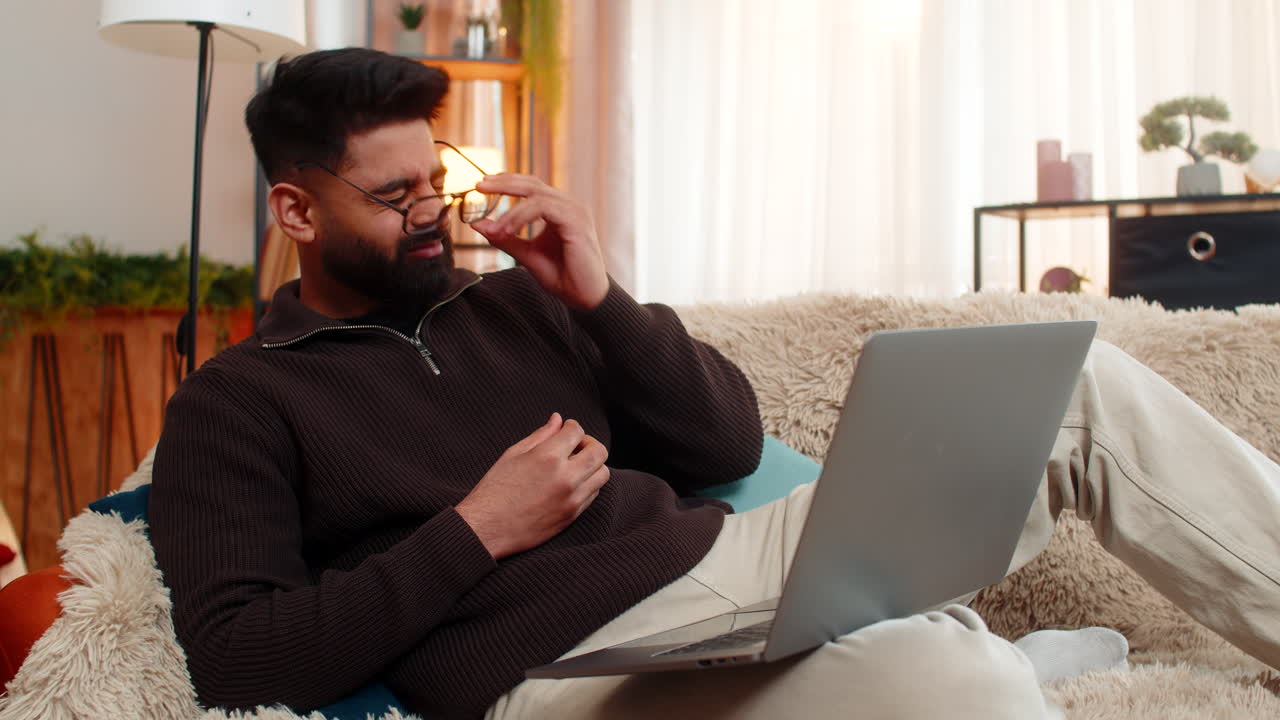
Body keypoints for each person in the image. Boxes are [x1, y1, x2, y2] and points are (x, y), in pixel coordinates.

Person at [148, 47, 1280, 720]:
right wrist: (478, 530)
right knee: (946, 686)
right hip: (553, 674)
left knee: (1078, 383)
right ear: (296, 211)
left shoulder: (516, 304)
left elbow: (727, 445)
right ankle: (999, 662)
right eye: (395, 199)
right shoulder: (236, 402)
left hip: (717, 577)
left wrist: (598, 297)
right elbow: (238, 659)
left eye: (435, 182)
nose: (433, 215)